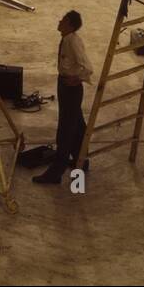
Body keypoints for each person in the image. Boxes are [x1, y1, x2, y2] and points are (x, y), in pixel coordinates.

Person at [34, 10, 94, 185]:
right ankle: (81, 160)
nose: (59, 22)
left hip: (71, 88)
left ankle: (56, 172)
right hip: (65, 85)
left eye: (63, 20)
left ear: (70, 24)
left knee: (66, 129)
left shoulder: (73, 42)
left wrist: (78, 78)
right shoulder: (68, 39)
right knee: (77, 124)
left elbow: (88, 67)